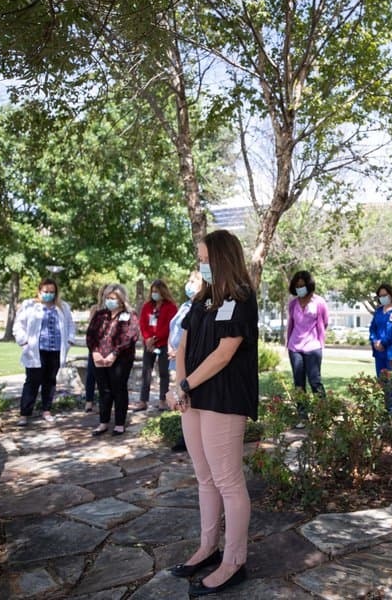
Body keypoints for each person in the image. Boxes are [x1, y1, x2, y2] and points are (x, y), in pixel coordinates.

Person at [166, 229, 258, 596]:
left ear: (222, 258)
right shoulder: (201, 300)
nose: (201, 265)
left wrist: (185, 386)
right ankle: (208, 548)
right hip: (194, 399)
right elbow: (183, 344)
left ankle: (234, 562)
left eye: (205, 259)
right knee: (204, 478)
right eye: (199, 259)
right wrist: (179, 384)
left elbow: (225, 352)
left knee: (228, 482)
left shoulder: (241, 297)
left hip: (223, 398)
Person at [12, 278, 76, 426]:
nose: (48, 294)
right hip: (36, 350)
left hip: (55, 350)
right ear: (39, 291)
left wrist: (69, 341)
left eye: (52, 292)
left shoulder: (63, 307)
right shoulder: (30, 305)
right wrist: (24, 341)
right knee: (32, 382)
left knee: (50, 381)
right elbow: (18, 325)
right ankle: (24, 413)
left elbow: (70, 326)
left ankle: (46, 410)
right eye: (45, 292)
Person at [86, 284, 139, 436]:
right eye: (107, 298)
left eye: (113, 298)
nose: (109, 301)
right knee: (104, 390)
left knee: (119, 389)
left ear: (121, 300)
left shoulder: (130, 315)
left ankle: (120, 423)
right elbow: (91, 334)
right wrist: (95, 352)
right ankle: (103, 422)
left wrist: (114, 354)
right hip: (99, 358)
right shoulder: (100, 314)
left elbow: (131, 336)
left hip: (121, 359)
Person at [168, 271, 202, 452]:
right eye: (189, 280)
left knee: (186, 395)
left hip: (188, 359)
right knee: (180, 395)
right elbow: (174, 328)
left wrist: (179, 352)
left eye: (193, 281)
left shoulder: (201, 306)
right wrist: (170, 347)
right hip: (175, 356)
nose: (188, 284)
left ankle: (187, 438)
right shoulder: (185, 305)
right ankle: (186, 434)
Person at [286, 270, 329, 403]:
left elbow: (325, 322)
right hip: (295, 347)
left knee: (315, 381)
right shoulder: (293, 304)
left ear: (309, 285)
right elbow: (291, 323)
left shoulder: (319, 302)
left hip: (313, 347)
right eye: (297, 286)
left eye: (302, 285)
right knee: (298, 384)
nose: (300, 288)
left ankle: (323, 412)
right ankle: (302, 416)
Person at [135, 279, 178, 411]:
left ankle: (162, 400)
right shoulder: (147, 306)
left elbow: (170, 326)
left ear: (163, 292)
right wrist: (148, 339)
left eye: (157, 292)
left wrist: (156, 338)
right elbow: (142, 323)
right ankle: (143, 401)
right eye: (153, 291)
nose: (154, 294)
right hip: (149, 345)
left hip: (164, 344)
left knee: (164, 373)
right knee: (146, 372)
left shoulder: (171, 307)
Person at [369, 283, 392, 412]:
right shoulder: (378, 312)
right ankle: (387, 414)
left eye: (385, 295)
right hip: (379, 354)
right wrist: (375, 341)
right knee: (384, 385)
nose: (382, 298)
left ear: (391, 295)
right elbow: (372, 328)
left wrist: (383, 343)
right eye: (380, 296)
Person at [83, 285, 110, 413]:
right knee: (91, 374)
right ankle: (89, 401)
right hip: (95, 346)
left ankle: (105, 402)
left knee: (106, 377)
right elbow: (91, 327)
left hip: (109, 347)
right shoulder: (95, 308)